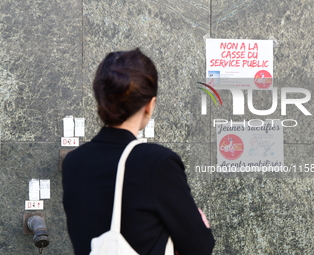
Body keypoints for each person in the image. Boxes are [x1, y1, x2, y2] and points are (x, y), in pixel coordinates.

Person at [62, 48, 215, 255]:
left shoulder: (74, 162)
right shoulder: (156, 162)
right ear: (149, 106)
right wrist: (201, 227)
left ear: (100, 100)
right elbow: (199, 247)